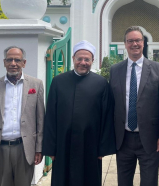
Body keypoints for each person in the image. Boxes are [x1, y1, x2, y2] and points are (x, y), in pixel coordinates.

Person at [42, 40, 115, 186]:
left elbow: (107, 117)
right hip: (63, 144)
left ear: (92, 60)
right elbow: (50, 115)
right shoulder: (58, 81)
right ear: (73, 59)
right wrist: (51, 147)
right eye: (79, 59)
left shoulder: (101, 83)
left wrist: (102, 148)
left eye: (87, 59)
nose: (83, 62)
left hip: (90, 145)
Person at [109, 26, 159, 186]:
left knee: (149, 182)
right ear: (125, 44)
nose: (134, 44)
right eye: (130, 41)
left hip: (150, 138)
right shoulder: (115, 70)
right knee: (123, 181)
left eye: (138, 40)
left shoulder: (158, 69)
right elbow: (112, 104)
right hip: (123, 138)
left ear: (143, 43)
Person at [0, 46, 45, 186]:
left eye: (17, 60)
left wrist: (39, 148)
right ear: (4, 62)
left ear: (24, 63)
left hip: (24, 150)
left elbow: (40, 120)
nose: (13, 63)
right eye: (9, 60)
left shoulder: (36, 85)